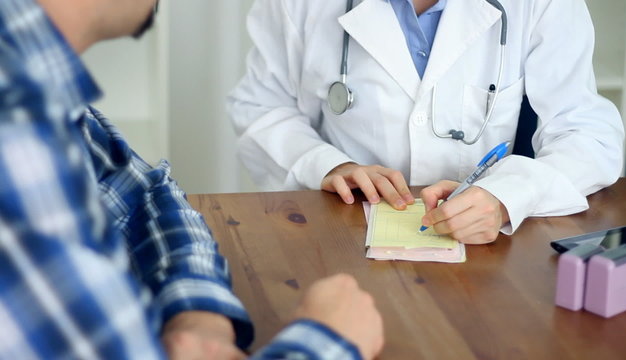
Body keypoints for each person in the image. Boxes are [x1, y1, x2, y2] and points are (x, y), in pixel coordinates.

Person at [0, 0, 384, 359]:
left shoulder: (39, 94)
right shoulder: (16, 136)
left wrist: (198, 316)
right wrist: (330, 341)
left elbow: (143, 196)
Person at [227, 0, 625, 244]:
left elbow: (588, 134)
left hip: (485, 249)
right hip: (344, 235)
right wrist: (327, 164)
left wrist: (509, 197)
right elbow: (261, 106)